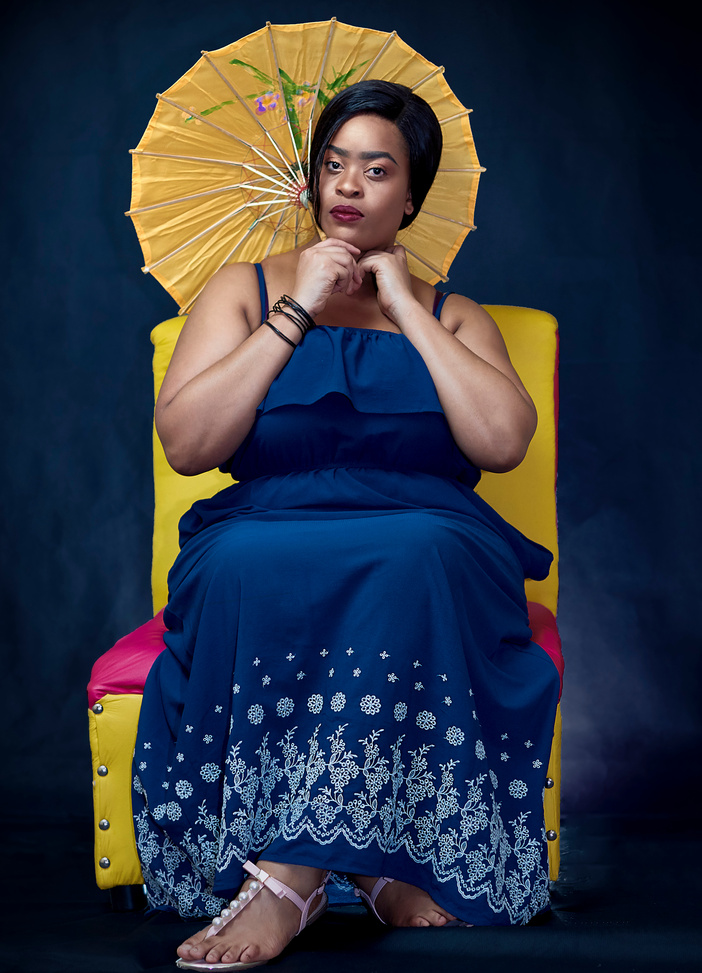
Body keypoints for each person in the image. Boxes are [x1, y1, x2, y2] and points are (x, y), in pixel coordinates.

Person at [131, 79, 561, 970]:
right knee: (245, 558)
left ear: (411, 195)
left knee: (414, 551)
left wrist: (405, 307)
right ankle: (363, 865)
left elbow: (504, 441)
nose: (351, 184)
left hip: (427, 524)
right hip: (268, 517)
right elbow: (188, 443)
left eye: (377, 168)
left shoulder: (452, 313)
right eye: (334, 164)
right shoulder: (243, 291)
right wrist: (296, 312)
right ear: (309, 181)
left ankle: (292, 877)